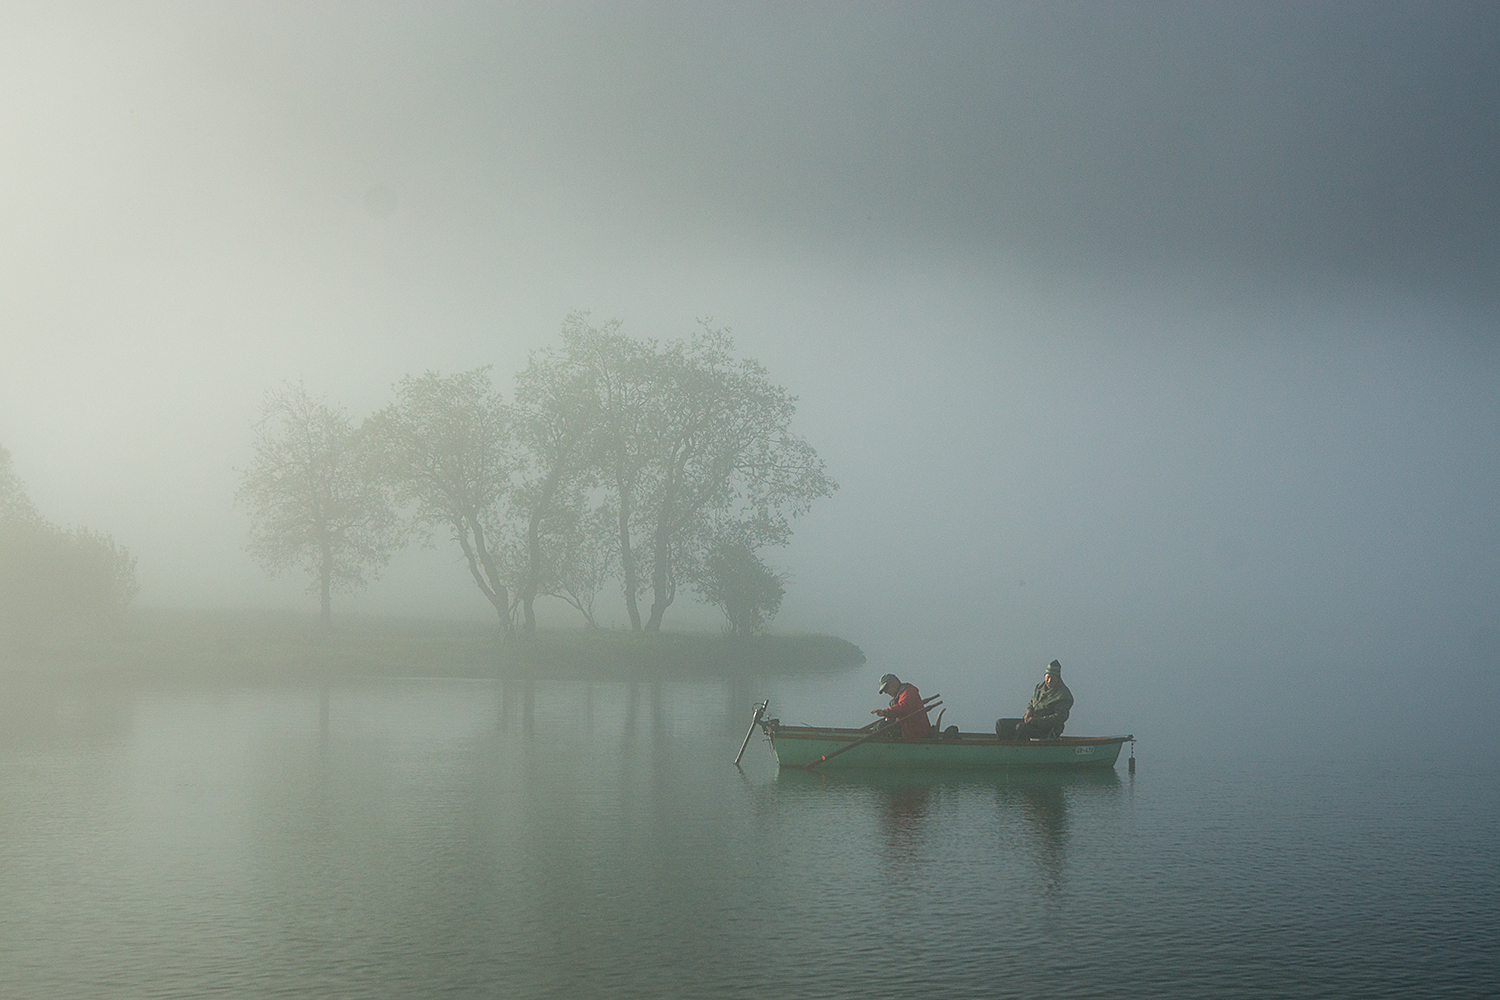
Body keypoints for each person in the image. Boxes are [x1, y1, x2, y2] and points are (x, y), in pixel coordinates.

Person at [997, 659, 1073, 741]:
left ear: (1058, 679)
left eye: (1053, 678)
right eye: (1048, 677)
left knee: (1021, 727)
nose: (1049, 681)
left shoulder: (1063, 695)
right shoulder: (1039, 687)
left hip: (1047, 728)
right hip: (1031, 722)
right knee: (1001, 724)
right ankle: (1005, 748)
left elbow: (1059, 718)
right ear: (1045, 676)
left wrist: (1037, 721)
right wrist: (1028, 712)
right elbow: (1032, 703)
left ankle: (1019, 751)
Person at [873, 673, 931, 740]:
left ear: (894, 683)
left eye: (886, 688)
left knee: (882, 726)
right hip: (907, 731)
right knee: (880, 726)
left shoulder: (908, 691)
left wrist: (884, 712)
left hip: (916, 734)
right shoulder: (899, 696)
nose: (886, 692)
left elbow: (903, 708)